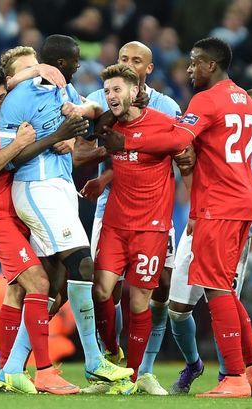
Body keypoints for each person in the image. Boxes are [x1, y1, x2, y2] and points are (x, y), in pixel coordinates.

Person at [103, 37, 252, 398]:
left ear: (211, 65)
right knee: (223, 285)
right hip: (242, 198)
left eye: (194, 63)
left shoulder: (206, 100)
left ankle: (234, 377)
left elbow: (179, 140)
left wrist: (128, 142)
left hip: (220, 201)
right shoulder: (243, 98)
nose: (190, 69)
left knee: (216, 287)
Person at [0, 34, 133, 390]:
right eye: (75, 60)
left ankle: (11, 368)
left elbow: (91, 113)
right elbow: (10, 159)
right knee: (83, 264)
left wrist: (74, 133)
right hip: (35, 188)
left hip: (61, 188)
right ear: (61, 62)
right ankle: (94, 361)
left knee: (54, 286)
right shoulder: (19, 99)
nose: (79, 65)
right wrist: (57, 135)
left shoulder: (65, 91)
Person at [0, 62, 88, 394]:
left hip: (22, 213)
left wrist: (71, 140)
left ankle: (8, 369)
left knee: (26, 290)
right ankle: (43, 371)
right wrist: (18, 144)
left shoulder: (18, 104)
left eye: (0, 97)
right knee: (39, 283)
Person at [75, 40, 182, 396]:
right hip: (114, 219)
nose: (110, 96)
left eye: (116, 90)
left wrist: (196, 208)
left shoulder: (166, 116)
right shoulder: (106, 115)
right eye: (107, 91)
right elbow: (91, 149)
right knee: (101, 290)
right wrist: (104, 174)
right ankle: (111, 359)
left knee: (145, 297)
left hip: (152, 225)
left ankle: (137, 375)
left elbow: (185, 153)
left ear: (139, 85)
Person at [166, 88, 252, 394]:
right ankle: (238, 366)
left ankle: (232, 375)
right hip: (204, 217)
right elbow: (186, 151)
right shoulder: (217, 130)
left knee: (220, 295)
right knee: (179, 308)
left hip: (227, 221)